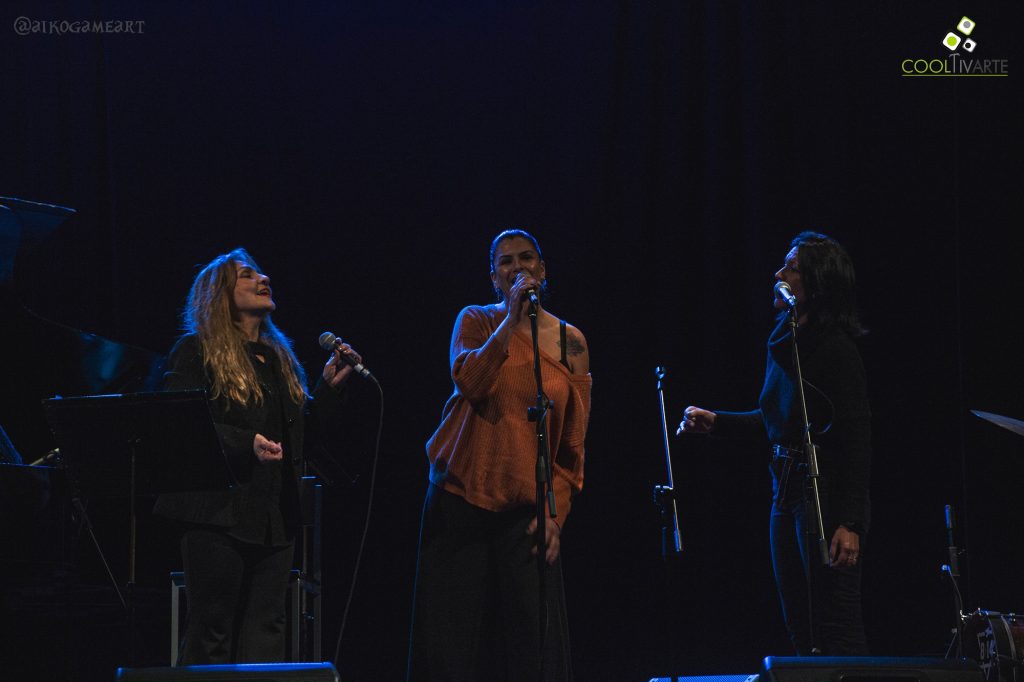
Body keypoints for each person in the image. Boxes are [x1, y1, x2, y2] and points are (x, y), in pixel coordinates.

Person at [153, 247, 362, 664]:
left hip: (274, 516)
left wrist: (328, 390)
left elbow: (302, 437)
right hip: (216, 512)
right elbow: (180, 425)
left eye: (262, 273)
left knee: (267, 628)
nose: (262, 279)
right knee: (212, 626)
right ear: (219, 294)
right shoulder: (196, 350)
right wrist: (244, 442)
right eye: (247, 275)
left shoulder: (278, 358)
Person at [407, 229, 592, 681]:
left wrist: (557, 513)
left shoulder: (571, 341)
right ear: (494, 277)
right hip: (459, 499)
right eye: (506, 262)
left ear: (543, 271)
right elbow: (471, 383)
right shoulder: (476, 320)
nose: (518, 267)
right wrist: (510, 320)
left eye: (526, 258)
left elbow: (572, 442)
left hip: (525, 508)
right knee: (450, 645)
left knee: (534, 643)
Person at [679, 231, 870, 656]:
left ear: (816, 284)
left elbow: (857, 438)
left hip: (825, 494)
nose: (778, 273)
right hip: (784, 491)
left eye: (792, 267)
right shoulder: (785, 341)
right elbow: (776, 421)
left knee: (835, 622)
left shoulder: (836, 350)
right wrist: (718, 423)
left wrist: (850, 523)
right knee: (799, 623)